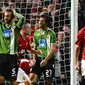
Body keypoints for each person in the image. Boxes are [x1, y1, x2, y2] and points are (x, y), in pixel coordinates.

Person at [29, 13, 56, 85]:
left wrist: (46, 60)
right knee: (31, 79)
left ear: (47, 23)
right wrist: (34, 59)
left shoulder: (51, 33)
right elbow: (35, 47)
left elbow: (53, 49)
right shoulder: (36, 33)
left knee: (48, 82)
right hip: (38, 59)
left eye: (42, 21)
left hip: (48, 60)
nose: (40, 22)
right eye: (39, 21)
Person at [0, 8, 24, 85]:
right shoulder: (1, 26)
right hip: (2, 56)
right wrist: (3, 13)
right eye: (5, 16)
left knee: (12, 81)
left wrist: (14, 13)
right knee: (0, 80)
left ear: (12, 17)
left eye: (8, 16)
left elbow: (22, 18)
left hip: (13, 57)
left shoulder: (16, 28)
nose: (5, 18)